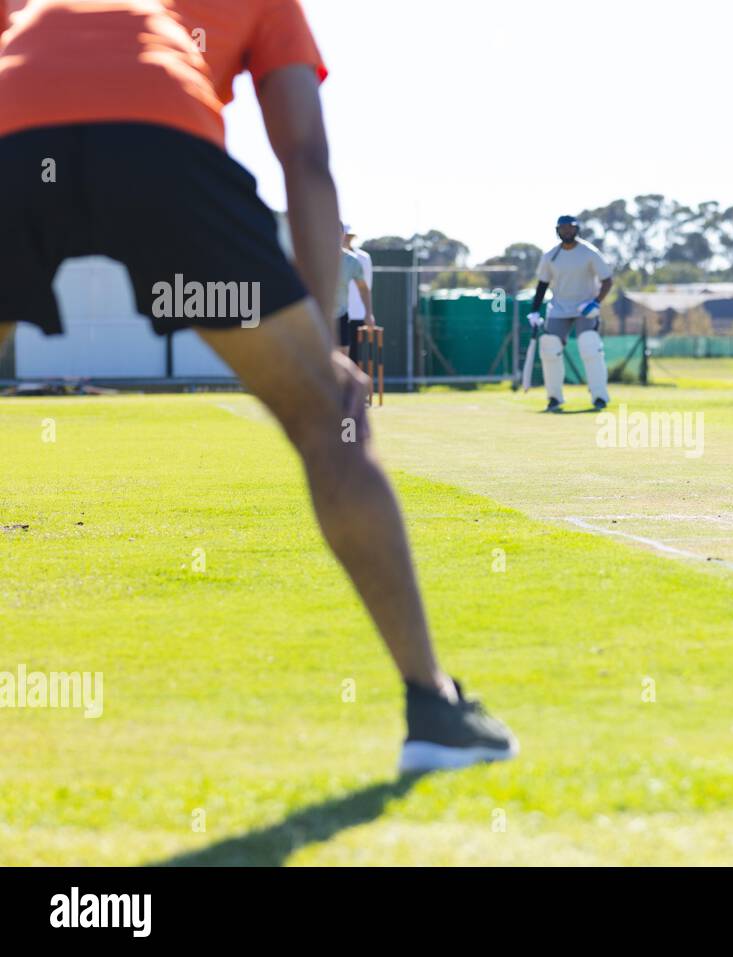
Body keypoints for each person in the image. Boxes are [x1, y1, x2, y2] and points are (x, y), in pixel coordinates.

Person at [0, 0, 516, 771]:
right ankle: (432, 709)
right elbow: (304, 157)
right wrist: (323, 346)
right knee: (327, 420)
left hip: (14, 134)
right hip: (162, 144)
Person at [525, 215, 614, 412]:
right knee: (549, 348)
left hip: (585, 308)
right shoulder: (550, 256)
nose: (567, 231)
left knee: (590, 347)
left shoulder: (589, 253)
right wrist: (533, 311)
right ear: (557, 230)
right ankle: (554, 398)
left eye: (570, 228)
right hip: (558, 308)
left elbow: (607, 279)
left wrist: (596, 302)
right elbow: (542, 284)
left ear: (576, 229)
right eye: (563, 228)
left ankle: (599, 397)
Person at [333, 222, 373, 361]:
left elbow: (363, 288)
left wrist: (369, 314)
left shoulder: (352, 261)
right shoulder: (313, 257)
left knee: (344, 361)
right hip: (318, 317)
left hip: (341, 316)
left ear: (342, 235)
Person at [343, 223, 375, 355]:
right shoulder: (331, 256)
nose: (347, 239)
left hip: (357, 314)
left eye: (349, 237)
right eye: (345, 236)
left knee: (355, 355)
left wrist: (368, 313)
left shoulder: (363, 258)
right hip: (338, 314)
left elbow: (367, 286)